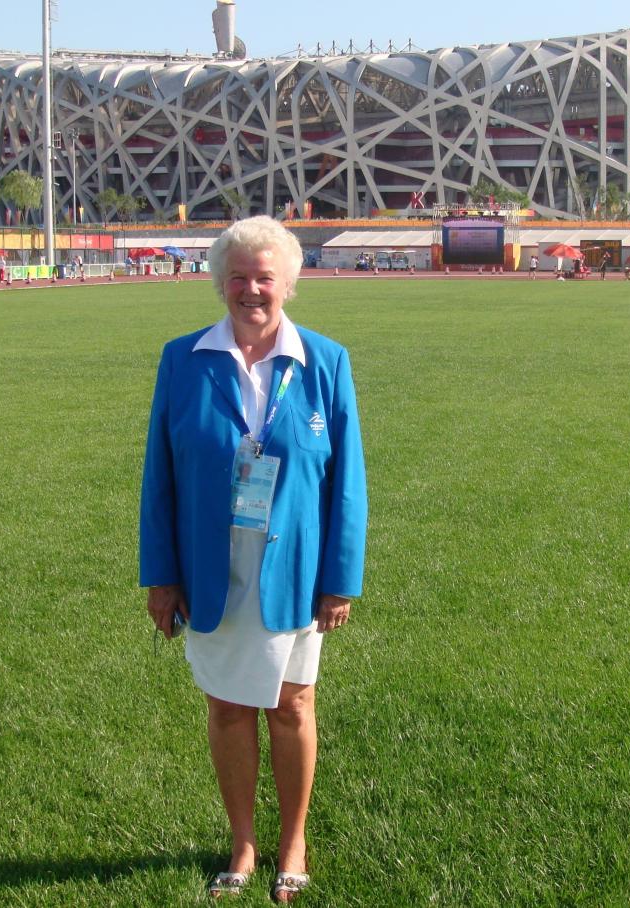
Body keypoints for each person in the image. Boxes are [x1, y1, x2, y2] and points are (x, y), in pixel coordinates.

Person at [140, 216, 367, 902]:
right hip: (212, 570)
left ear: (290, 284)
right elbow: (160, 477)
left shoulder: (324, 362)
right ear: (219, 284)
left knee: (292, 707)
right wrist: (161, 577)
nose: (251, 290)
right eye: (237, 276)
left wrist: (339, 580)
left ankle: (291, 840)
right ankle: (243, 842)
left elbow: (347, 482)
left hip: (293, 570)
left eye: (265, 276)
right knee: (228, 709)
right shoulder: (183, 359)